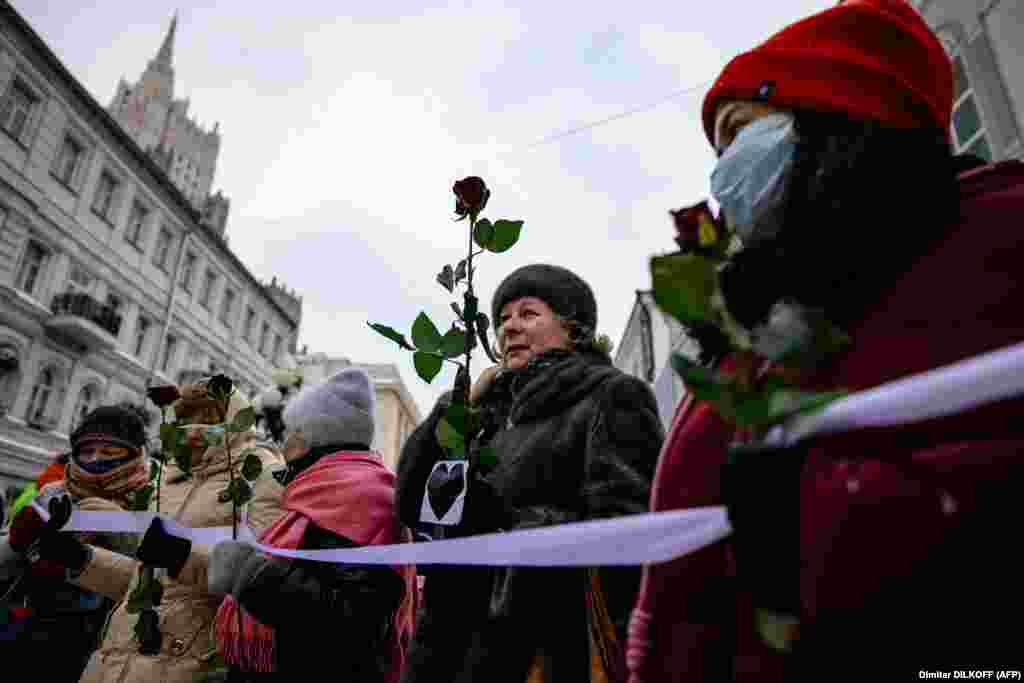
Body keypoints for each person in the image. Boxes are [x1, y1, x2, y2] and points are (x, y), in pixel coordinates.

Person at [628, 0, 1024, 679]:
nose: (725, 171)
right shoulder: (763, 314)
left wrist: (820, 502)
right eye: (718, 151)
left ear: (843, 117)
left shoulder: (993, 255)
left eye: (743, 132)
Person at [397, 263, 665, 682]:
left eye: (528, 314)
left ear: (573, 329)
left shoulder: (610, 396)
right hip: (452, 645)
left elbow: (628, 537)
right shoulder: (485, 414)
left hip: (543, 650)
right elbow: (416, 507)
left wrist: (518, 538)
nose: (510, 329)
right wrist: (454, 413)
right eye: (503, 319)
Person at [11, 378, 285, 683]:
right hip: (115, 661)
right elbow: (148, 583)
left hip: (190, 663)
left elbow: (262, 578)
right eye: (187, 419)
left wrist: (173, 548)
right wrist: (82, 560)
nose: (194, 429)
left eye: (210, 419)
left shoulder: (263, 474)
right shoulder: (170, 480)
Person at [204, 367, 416, 681]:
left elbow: (352, 622)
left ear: (305, 440)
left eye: (291, 432)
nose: (283, 442)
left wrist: (249, 573)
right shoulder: (324, 494)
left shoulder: (360, 499)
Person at [2, 405, 153, 681]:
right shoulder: (54, 491)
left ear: (133, 455)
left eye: (109, 452)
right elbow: (8, 563)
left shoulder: (154, 500)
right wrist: (15, 542)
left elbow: (156, 581)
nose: (95, 459)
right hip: (28, 626)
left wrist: (115, 531)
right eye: (87, 450)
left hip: (105, 642)